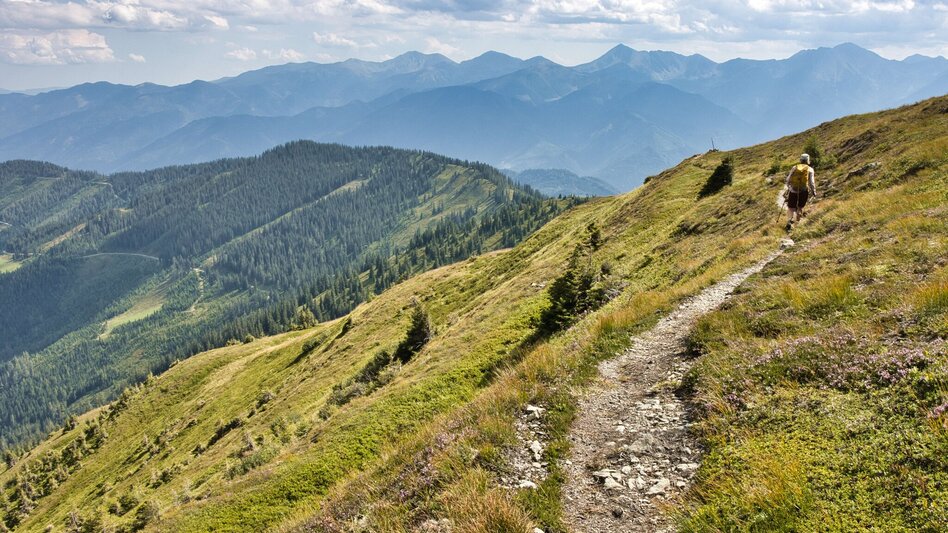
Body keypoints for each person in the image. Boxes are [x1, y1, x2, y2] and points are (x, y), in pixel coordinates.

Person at [785, 153, 817, 230]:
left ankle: (789, 221)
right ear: (808, 161)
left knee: (791, 207)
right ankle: (797, 224)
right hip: (803, 191)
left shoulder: (795, 167)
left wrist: (789, 187)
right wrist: (814, 191)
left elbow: (788, 179)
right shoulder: (810, 169)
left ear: (800, 160)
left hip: (793, 190)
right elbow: (811, 182)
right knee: (800, 207)